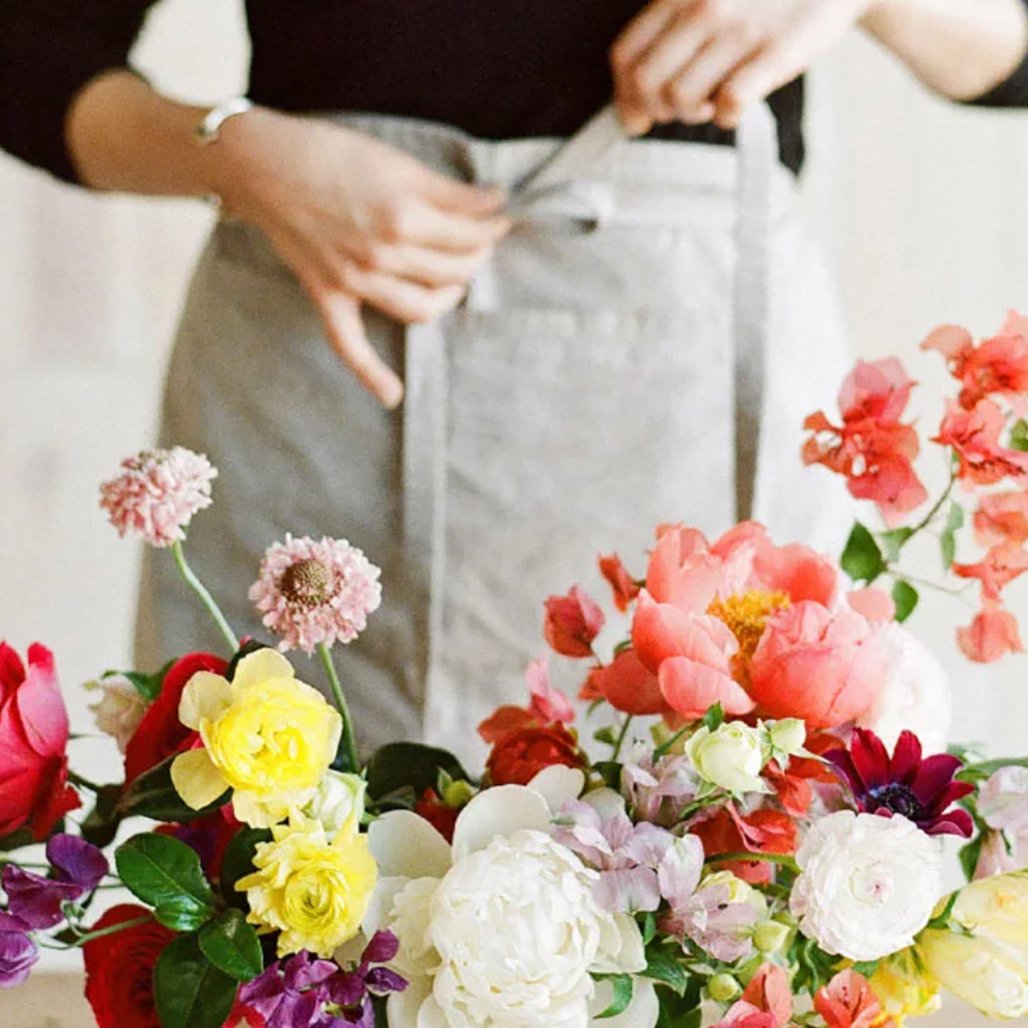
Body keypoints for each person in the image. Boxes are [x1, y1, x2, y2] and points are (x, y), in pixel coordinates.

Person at [2, 1, 1027, 759]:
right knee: (273, 902)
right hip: (317, 359)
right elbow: (30, 49)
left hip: (684, 374)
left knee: (686, 893)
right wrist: (239, 154)